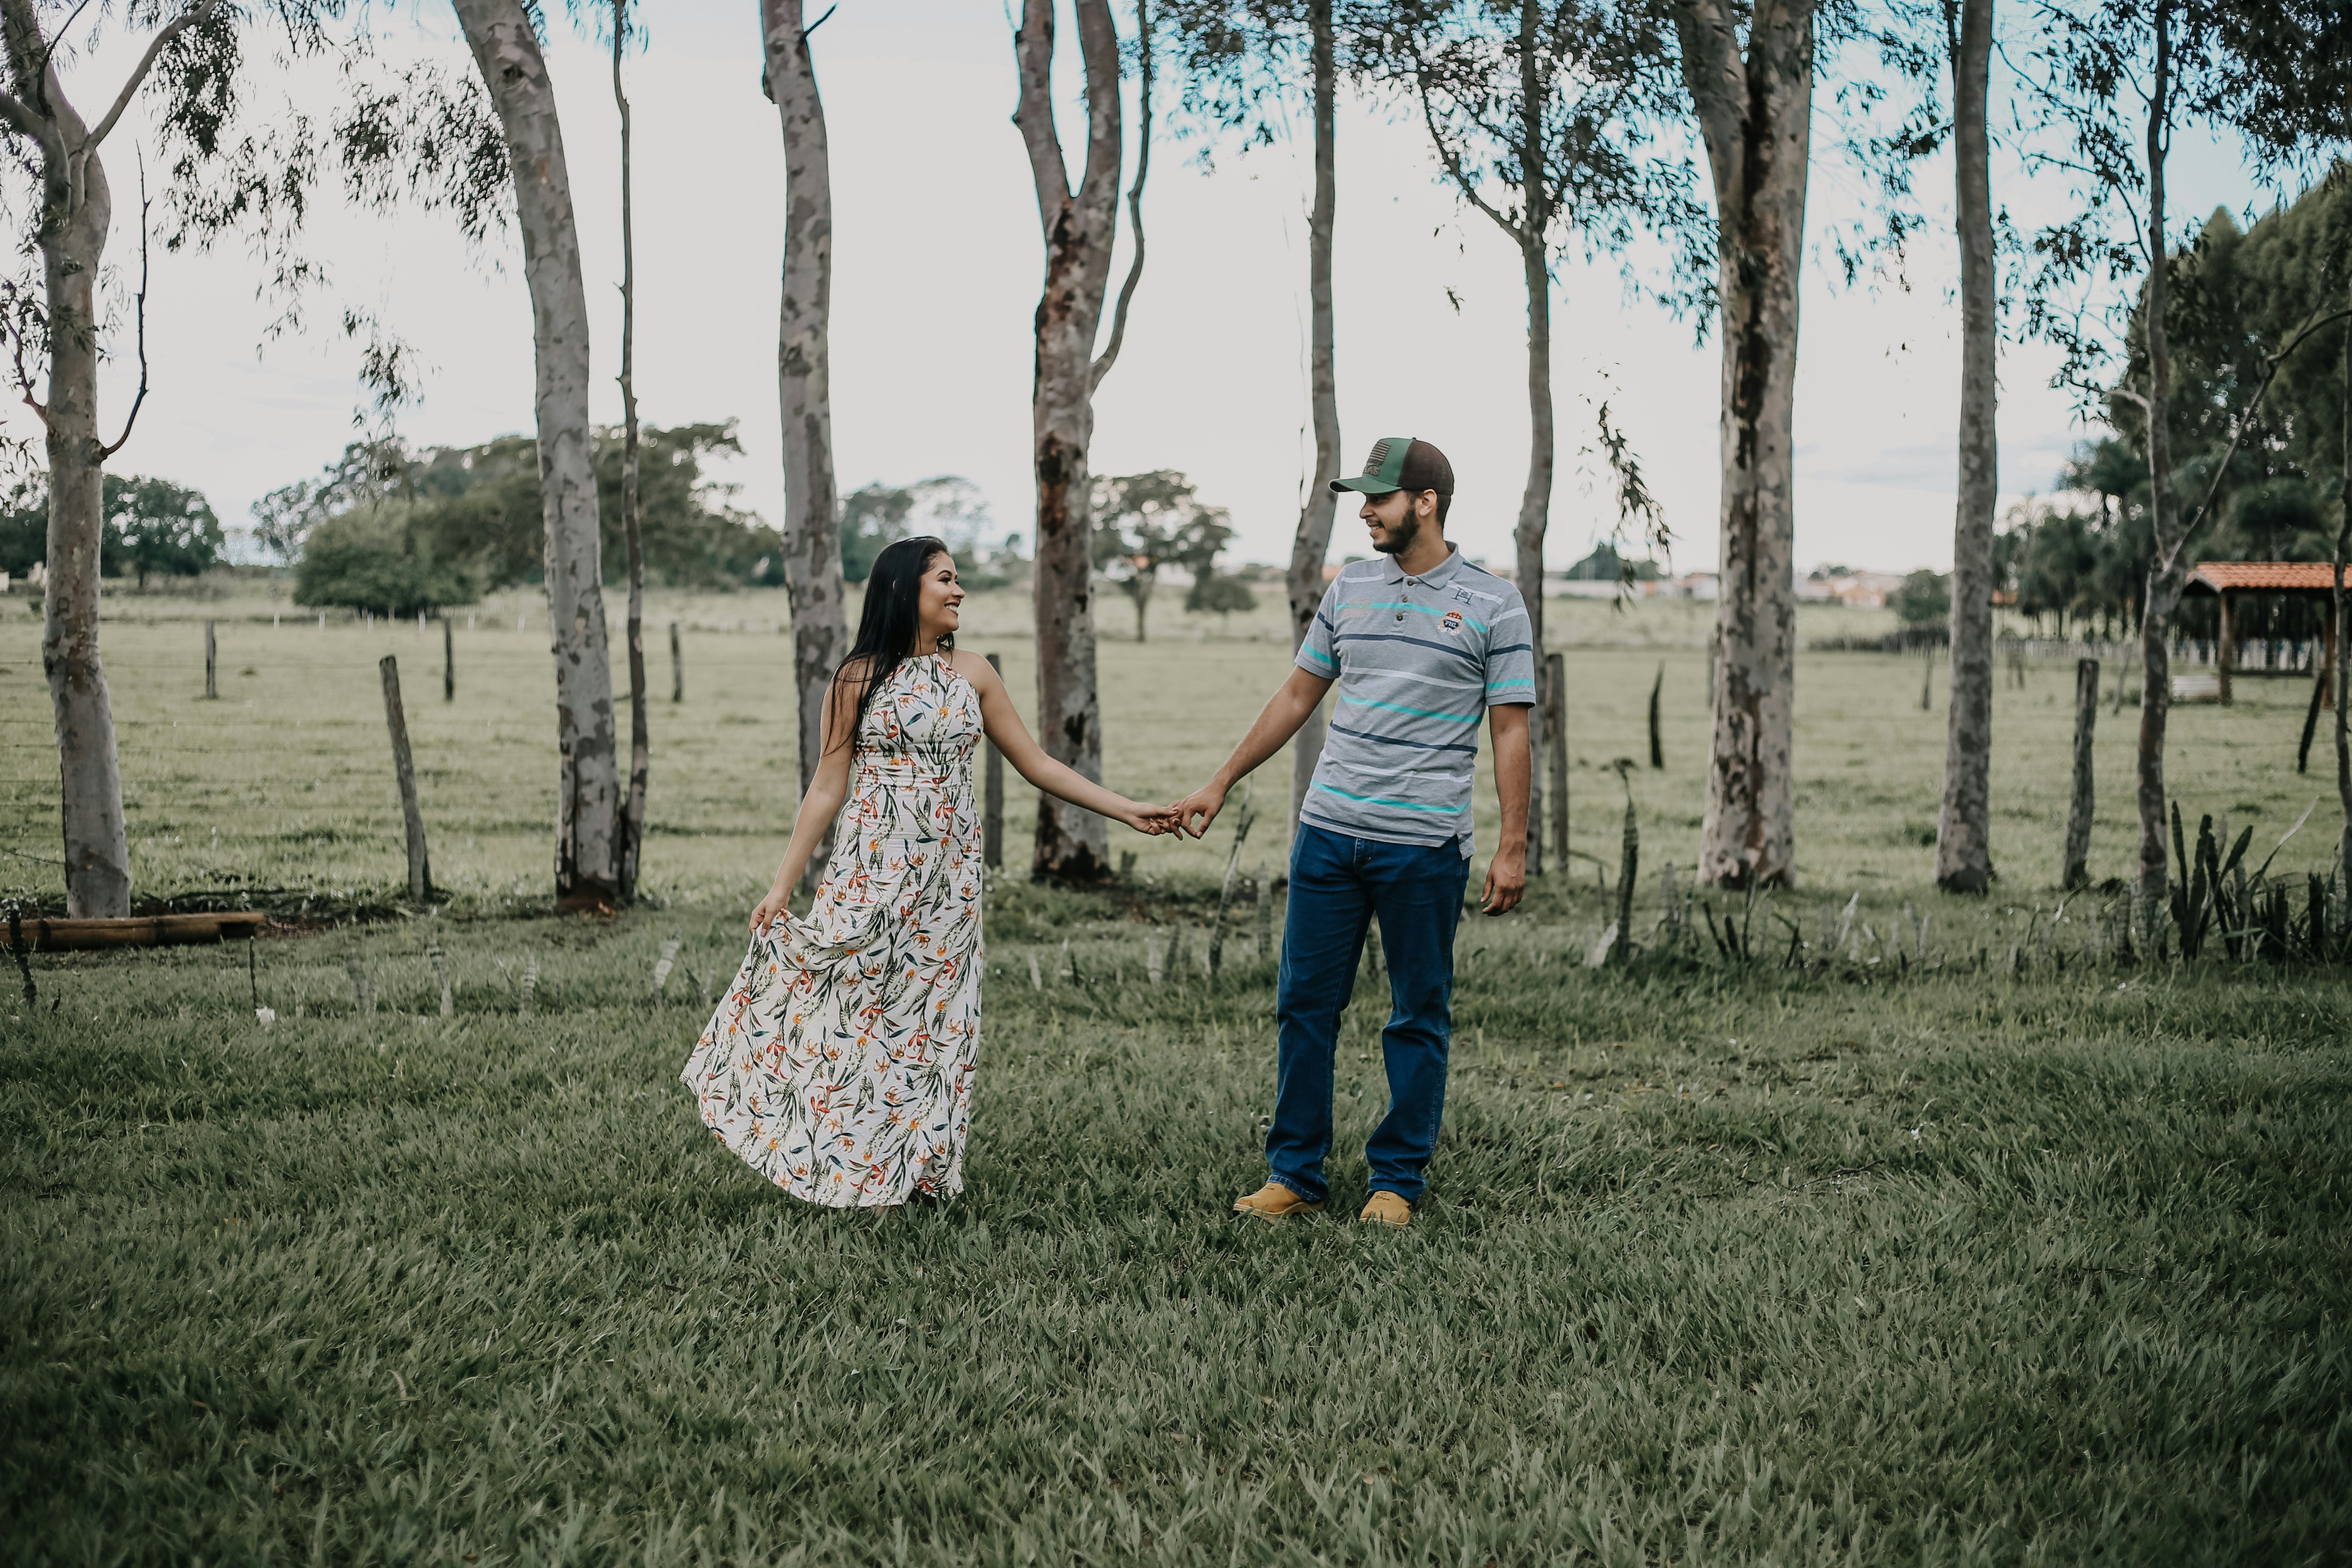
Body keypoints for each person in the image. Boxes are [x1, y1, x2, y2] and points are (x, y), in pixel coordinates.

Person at [681, 536, 1171, 1210]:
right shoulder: (857, 678)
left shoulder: (973, 673)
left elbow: (1037, 764)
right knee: (853, 1007)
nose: (958, 590)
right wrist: (781, 886)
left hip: (950, 883)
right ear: (903, 589)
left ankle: (921, 1175)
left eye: (957, 578)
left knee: (938, 1021)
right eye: (945, 578)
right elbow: (827, 785)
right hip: (871, 871)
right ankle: (832, 1152)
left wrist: (1128, 810)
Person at [1168, 437, 1533, 1229]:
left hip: (1424, 845)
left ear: (1425, 502)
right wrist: (1221, 780)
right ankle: (1294, 1173)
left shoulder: (1495, 603)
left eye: (1380, 497)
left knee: (1417, 1014)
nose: (1365, 510)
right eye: (1363, 498)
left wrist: (1513, 846)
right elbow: (1298, 695)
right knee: (1304, 1006)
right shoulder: (1351, 588)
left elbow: (1510, 729)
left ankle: (1396, 1182)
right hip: (1329, 833)